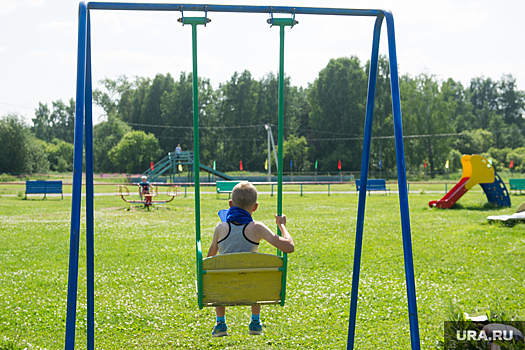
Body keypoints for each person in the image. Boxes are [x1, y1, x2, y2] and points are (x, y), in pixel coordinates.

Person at [206, 181, 295, 337]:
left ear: (230, 204)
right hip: (252, 288)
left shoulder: (220, 228)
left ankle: (220, 322)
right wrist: (282, 226)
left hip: (224, 287)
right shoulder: (257, 228)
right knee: (254, 275)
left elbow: (208, 261)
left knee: (216, 273)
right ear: (255, 207)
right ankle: (255, 321)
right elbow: (289, 247)